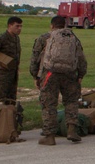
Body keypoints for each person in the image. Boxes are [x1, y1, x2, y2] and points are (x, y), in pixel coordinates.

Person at [34, 16, 87, 145]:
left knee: (49, 104)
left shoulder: (45, 37)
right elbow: (81, 58)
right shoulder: (73, 37)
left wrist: (36, 76)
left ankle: (49, 136)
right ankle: (72, 131)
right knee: (71, 102)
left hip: (50, 73)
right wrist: (80, 74)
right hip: (70, 74)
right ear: (64, 25)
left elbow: (35, 58)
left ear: (52, 26)